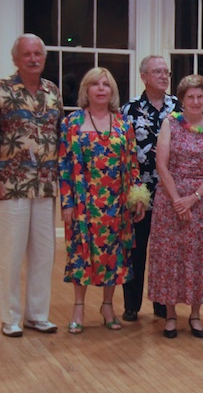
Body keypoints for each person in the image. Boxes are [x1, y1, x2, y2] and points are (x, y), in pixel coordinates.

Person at [0, 34, 63, 337]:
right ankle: (10, 317)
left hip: (44, 185)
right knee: (11, 254)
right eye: (26, 54)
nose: (33, 58)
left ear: (44, 57)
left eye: (38, 53)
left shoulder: (52, 92)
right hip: (10, 184)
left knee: (44, 254)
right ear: (16, 59)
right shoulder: (1, 91)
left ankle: (37, 314)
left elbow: (59, 135)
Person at [59, 68, 146, 333]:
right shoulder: (71, 123)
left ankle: (108, 305)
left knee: (114, 256)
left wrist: (137, 198)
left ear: (112, 92)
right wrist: (67, 204)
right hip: (84, 203)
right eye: (95, 84)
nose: (100, 88)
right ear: (86, 90)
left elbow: (132, 165)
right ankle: (78, 306)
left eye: (106, 85)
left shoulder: (122, 124)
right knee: (80, 255)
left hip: (116, 204)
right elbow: (63, 165)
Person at [147, 75, 203, 339]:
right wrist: (178, 198)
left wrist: (194, 197)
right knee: (170, 256)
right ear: (182, 99)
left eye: (200, 96)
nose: (196, 101)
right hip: (170, 198)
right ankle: (170, 315)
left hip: (201, 201)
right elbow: (162, 164)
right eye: (190, 96)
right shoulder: (170, 124)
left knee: (199, 257)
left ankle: (195, 315)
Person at [119, 55, 180, 322]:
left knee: (165, 252)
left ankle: (161, 303)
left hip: (171, 192)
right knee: (136, 249)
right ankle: (131, 305)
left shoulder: (179, 109)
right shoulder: (129, 110)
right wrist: (133, 191)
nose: (163, 76)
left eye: (166, 72)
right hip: (139, 192)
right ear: (143, 76)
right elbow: (122, 153)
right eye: (157, 72)